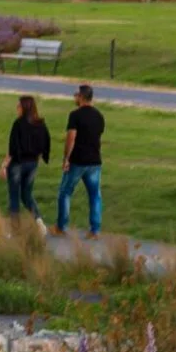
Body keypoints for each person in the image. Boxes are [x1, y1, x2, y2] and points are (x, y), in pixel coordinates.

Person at [54, 84, 106, 238]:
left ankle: (61, 226)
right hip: (95, 161)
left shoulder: (75, 115)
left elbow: (71, 138)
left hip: (78, 160)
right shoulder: (99, 116)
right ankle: (95, 230)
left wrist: (66, 158)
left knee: (65, 192)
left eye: (76, 95)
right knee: (95, 195)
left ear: (81, 97)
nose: (75, 97)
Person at [3, 95, 50, 217]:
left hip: (17, 164)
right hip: (32, 164)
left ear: (24, 108)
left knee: (14, 197)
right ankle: (38, 221)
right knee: (27, 195)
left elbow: (13, 147)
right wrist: (39, 157)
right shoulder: (40, 124)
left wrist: (4, 166)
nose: (17, 107)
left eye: (19, 105)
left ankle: (15, 226)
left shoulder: (18, 124)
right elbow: (46, 142)